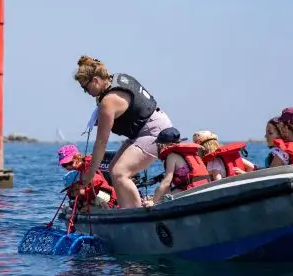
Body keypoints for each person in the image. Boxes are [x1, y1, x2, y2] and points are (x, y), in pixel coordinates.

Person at [73, 56, 173, 208]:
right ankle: (125, 209)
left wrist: (90, 174)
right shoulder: (118, 79)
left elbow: (101, 143)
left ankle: (136, 213)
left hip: (154, 131)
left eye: (85, 88)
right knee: (113, 169)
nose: (85, 92)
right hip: (145, 129)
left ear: (95, 80)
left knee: (119, 172)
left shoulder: (108, 102)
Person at [144, 127, 212, 207]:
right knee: (164, 192)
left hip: (191, 191)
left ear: (163, 145)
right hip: (205, 188)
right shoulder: (191, 153)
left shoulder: (171, 156)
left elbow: (166, 182)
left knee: (159, 196)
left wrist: (153, 202)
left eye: (158, 145)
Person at [58, 144, 117, 210]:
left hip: (104, 194)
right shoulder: (78, 172)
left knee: (98, 199)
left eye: (70, 163)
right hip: (92, 195)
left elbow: (99, 183)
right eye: (64, 165)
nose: (68, 167)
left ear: (78, 157)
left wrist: (84, 192)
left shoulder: (89, 167)